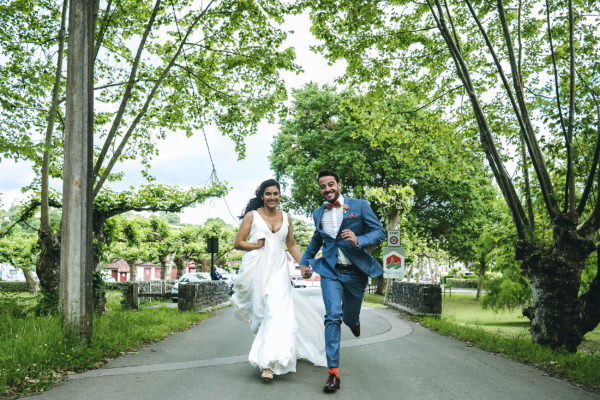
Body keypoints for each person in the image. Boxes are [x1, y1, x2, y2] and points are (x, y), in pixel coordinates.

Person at [299, 169, 386, 393]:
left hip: (356, 272)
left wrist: (360, 239)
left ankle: (353, 320)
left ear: (339, 184)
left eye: (330, 185)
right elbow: (317, 239)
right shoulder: (318, 213)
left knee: (348, 316)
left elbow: (379, 232)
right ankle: (333, 373)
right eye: (322, 186)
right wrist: (305, 261)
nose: (327, 189)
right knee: (332, 316)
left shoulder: (360, 206)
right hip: (330, 271)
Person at [232, 179, 327, 383]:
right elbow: (238, 243)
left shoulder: (286, 217)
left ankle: (269, 364)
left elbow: (291, 245)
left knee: (276, 314)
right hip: (257, 269)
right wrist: (255, 246)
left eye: (275, 193)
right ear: (262, 196)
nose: (272, 197)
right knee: (262, 314)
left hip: (278, 271)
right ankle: (270, 352)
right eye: (268, 194)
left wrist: (305, 265)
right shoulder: (252, 216)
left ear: (280, 195)